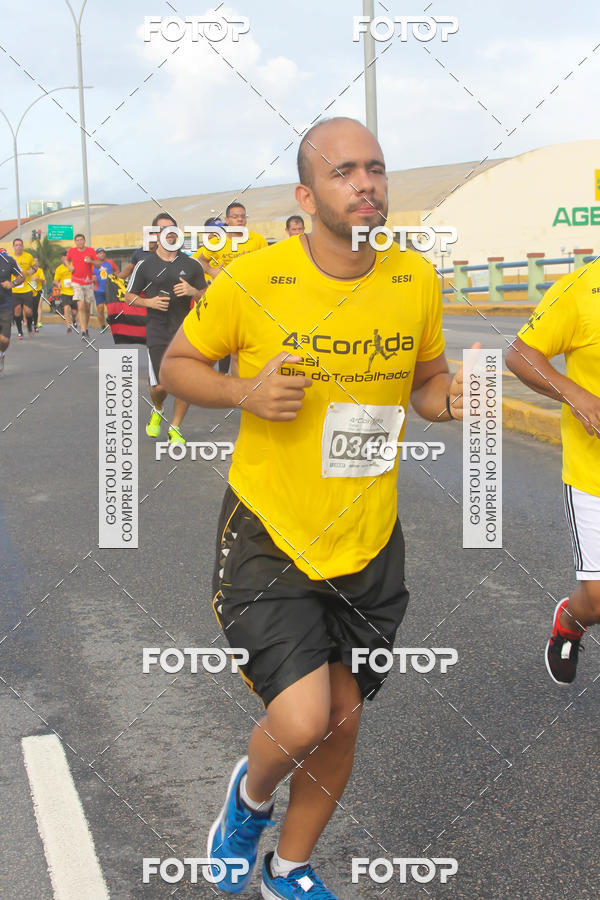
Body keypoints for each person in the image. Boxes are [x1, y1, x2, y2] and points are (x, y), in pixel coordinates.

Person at [160, 116, 474, 898]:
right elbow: (177, 365)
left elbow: (425, 382)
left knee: (341, 721)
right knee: (302, 719)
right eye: (343, 172)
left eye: (375, 168)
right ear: (306, 196)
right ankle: (248, 801)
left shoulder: (413, 279)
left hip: (368, 541)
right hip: (271, 532)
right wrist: (244, 391)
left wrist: (452, 400)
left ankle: (289, 870)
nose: (365, 183)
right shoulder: (254, 278)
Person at [507, 267, 600, 685]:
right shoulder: (582, 288)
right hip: (594, 473)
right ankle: (571, 620)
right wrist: (577, 396)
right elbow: (521, 354)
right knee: (597, 600)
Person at [125, 213, 206, 444]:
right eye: (162, 229)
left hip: (184, 331)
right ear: (155, 234)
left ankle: (175, 427)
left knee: (184, 383)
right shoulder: (145, 265)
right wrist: (149, 302)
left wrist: (193, 292)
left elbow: (206, 297)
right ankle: (158, 409)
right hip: (157, 329)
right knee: (160, 386)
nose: (167, 233)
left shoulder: (191, 264)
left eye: (171, 228)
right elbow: (129, 296)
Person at [193, 202, 267, 280]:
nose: (240, 219)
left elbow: (268, 262)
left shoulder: (258, 239)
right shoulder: (216, 242)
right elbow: (200, 260)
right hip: (226, 285)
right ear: (227, 220)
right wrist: (211, 271)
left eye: (243, 216)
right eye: (235, 217)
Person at [66, 234, 97, 339]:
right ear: (75, 242)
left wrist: (91, 261)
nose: (79, 242)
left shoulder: (91, 251)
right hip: (76, 282)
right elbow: (66, 260)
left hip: (88, 282)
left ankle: (86, 327)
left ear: (84, 241)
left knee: (87, 308)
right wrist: (69, 266)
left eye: (81, 240)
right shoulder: (72, 251)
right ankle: (83, 331)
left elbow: (98, 264)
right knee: (81, 306)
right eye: (77, 240)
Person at [0, 249, 23, 372]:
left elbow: (21, 276)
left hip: (5, 305)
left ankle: (1, 353)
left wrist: (12, 283)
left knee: (4, 340)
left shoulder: (8, 260)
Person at [10, 238, 36, 339]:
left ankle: (29, 327)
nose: (18, 247)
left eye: (20, 245)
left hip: (26, 288)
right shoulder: (10, 258)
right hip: (15, 289)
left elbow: (35, 267)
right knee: (17, 310)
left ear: (23, 246)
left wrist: (32, 270)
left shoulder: (28, 256)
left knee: (28, 311)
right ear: (13, 247)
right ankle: (20, 332)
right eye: (16, 245)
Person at [92, 248, 117, 329]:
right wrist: (92, 277)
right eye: (100, 253)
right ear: (97, 255)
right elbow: (89, 274)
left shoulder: (110, 262)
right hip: (98, 289)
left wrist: (114, 277)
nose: (102, 254)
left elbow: (116, 271)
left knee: (111, 308)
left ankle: (110, 320)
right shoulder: (93, 264)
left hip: (109, 289)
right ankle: (102, 325)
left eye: (103, 253)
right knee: (100, 308)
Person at [54, 251, 76, 333]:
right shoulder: (59, 269)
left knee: (74, 312)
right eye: (63, 257)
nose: (65, 258)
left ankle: (74, 319)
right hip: (65, 292)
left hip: (75, 291)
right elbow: (56, 280)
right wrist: (58, 284)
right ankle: (68, 326)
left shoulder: (73, 265)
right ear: (61, 258)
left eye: (66, 256)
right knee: (66, 308)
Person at [29, 259, 45, 332]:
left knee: (38, 306)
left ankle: (38, 322)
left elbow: (43, 281)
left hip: (38, 290)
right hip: (29, 292)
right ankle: (29, 321)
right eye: (34, 261)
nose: (35, 262)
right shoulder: (28, 270)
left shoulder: (40, 270)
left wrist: (37, 278)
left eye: (36, 261)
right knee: (30, 308)